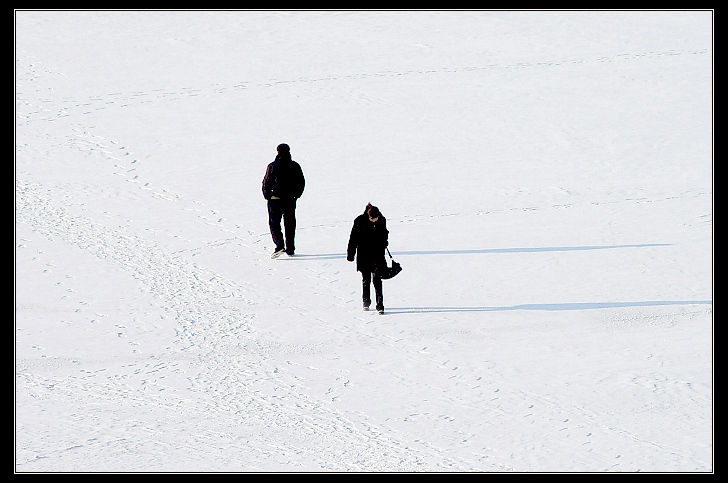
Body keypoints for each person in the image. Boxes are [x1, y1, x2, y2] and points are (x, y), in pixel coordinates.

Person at [262, 143, 305, 258]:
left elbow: (266, 182)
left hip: (275, 199)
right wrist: (296, 195)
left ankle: (279, 246)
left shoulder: (272, 166)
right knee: (290, 224)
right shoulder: (295, 166)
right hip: (290, 199)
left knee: (274, 223)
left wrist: (267, 195)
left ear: (278, 152)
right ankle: (290, 249)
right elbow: (301, 182)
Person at [347, 203, 389, 314]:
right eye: (372, 219)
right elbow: (353, 238)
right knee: (366, 279)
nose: (374, 220)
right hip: (363, 255)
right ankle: (366, 302)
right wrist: (350, 254)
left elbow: (385, 234)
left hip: (377, 255)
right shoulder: (359, 221)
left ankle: (380, 305)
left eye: (376, 218)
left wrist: (384, 243)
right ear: (368, 216)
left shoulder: (382, 220)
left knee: (377, 280)